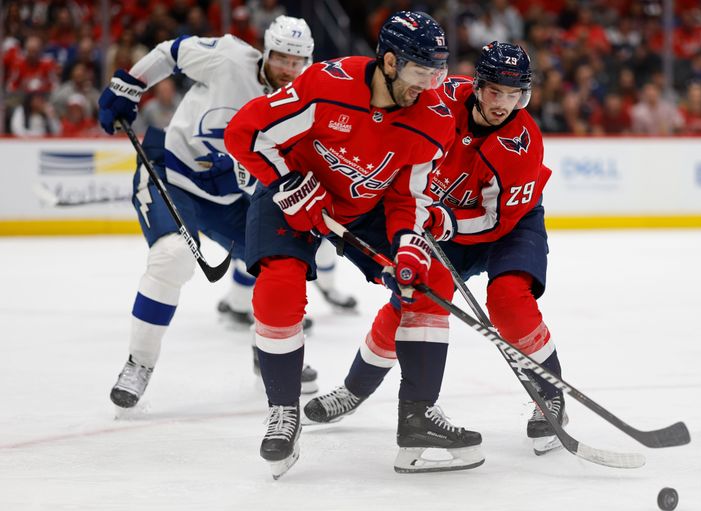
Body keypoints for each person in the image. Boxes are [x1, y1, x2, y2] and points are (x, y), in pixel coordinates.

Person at [224, 11, 483, 479]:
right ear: (388, 61)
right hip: (292, 197)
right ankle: (284, 411)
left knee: (428, 282)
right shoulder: (327, 84)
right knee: (278, 287)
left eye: (436, 71)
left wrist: (407, 245)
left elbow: (410, 194)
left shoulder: (432, 120)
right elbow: (245, 133)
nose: (429, 84)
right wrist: (286, 184)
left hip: (364, 210)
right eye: (420, 70)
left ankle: (418, 417)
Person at [304, 42, 567, 455]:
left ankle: (549, 396)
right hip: (438, 220)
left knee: (509, 300)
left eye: (514, 94)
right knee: (410, 302)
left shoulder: (522, 142)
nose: (503, 104)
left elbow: (499, 220)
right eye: (495, 91)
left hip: (508, 225)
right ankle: (355, 390)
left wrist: (444, 220)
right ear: (477, 85)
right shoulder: (437, 100)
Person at [97, 16, 348, 409]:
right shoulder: (229, 58)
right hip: (174, 174)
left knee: (281, 264)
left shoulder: (308, 98)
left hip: (232, 197)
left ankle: (268, 357)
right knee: (172, 257)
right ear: (266, 51)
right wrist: (131, 84)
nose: (288, 69)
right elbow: (170, 53)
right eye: (281, 58)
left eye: (297, 61)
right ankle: (138, 364)